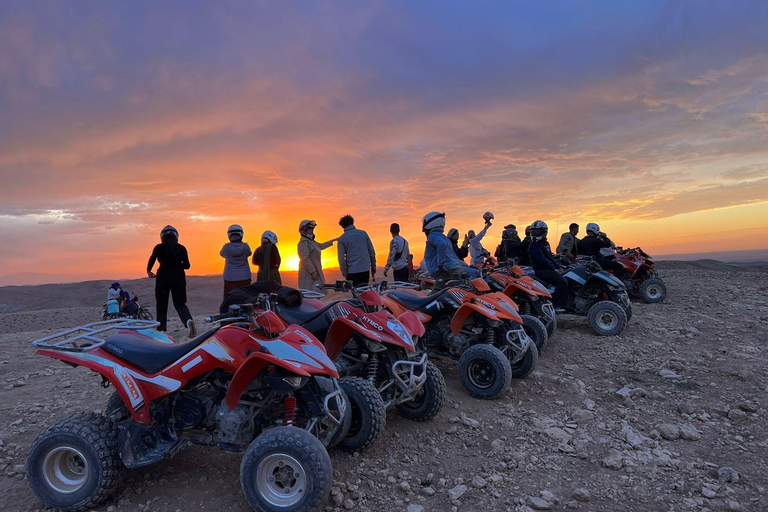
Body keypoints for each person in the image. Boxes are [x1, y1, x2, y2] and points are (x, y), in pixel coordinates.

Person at [147, 225, 196, 336]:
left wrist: (149, 271)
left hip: (163, 276)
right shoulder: (181, 248)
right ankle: (188, 321)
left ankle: (161, 330)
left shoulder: (159, 247)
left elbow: (152, 260)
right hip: (178, 276)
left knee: (161, 305)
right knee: (180, 304)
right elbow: (187, 266)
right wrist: (178, 264)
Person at [423, 211, 472, 291]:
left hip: (445, 274)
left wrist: (440, 265)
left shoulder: (433, 235)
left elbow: (441, 244)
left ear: (430, 224)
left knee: (433, 300)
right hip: (454, 271)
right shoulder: (444, 237)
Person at [527, 220, 567, 311]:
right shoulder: (534, 245)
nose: (535, 233)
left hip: (545, 269)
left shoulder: (541, 244)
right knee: (562, 282)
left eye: (538, 231)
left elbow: (550, 257)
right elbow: (542, 260)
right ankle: (557, 305)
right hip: (541, 270)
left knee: (565, 276)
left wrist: (559, 267)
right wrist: (553, 268)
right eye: (534, 231)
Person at [297, 220, 337, 292]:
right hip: (309, 274)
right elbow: (304, 258)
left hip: (315, 273)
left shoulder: (311, 242)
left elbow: (321, 246)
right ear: (304, 230)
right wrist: (312, 271)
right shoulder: (303, 243)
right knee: (311, 295)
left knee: (317, 294)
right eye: (310, 229)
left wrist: (333, 241)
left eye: (312, 229)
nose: (312, 231)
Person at [337, 215, 376, 287]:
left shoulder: (342, 239)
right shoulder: (363, 233)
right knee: (364, 293)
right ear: (352, 222)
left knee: (356, 295)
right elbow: (371, 252)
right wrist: (373, 267)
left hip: (352, 271)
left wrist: (345, 273)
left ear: (342, 226)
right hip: (365, 269)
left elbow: (341, 259)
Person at [220, 224, 252, 299]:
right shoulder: (245, 247)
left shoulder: (226, 247)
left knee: (229, 298)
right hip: (245, 277)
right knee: (245, 298)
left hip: (230, 277)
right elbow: (249, 253)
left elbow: (222, 254)